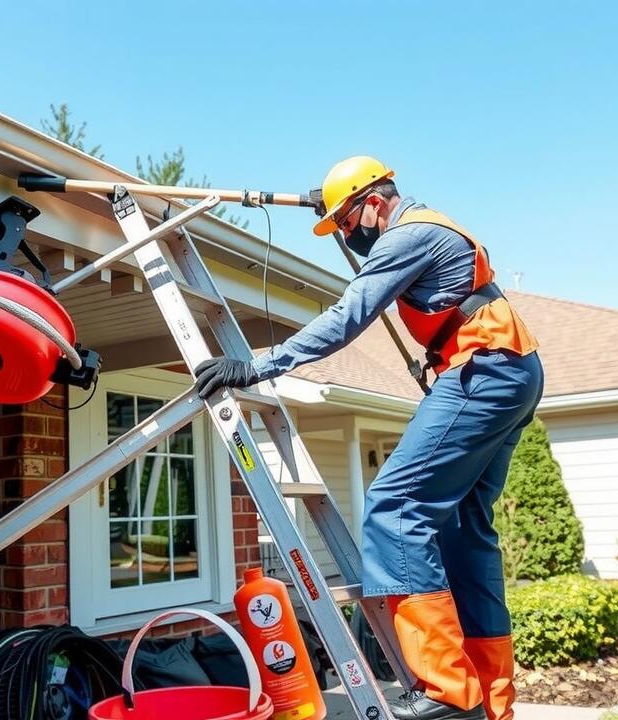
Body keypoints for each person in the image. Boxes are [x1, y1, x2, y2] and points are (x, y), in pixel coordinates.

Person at [194, 156, 543, 720]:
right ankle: (487, 697)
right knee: (461, 530)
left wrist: (258, 366)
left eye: (348, 223)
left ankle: (446, 693)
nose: (349, 236)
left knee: (396, 508)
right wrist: (329, 206)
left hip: (482, 370)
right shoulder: (426, 226)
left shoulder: (408, 237)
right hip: (509, 368)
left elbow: (346, 316)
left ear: (375, 202)